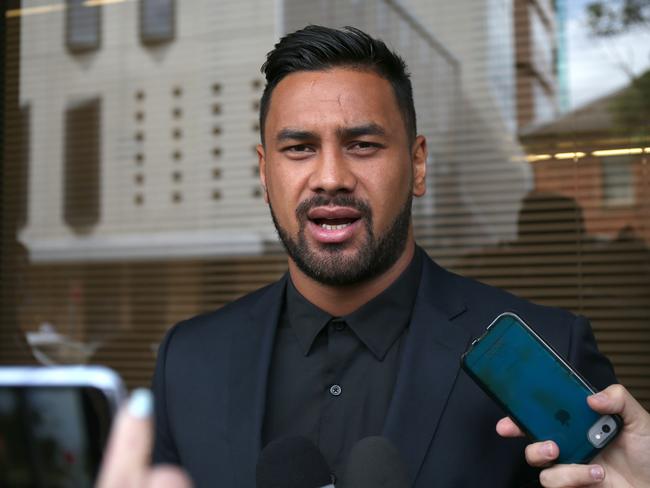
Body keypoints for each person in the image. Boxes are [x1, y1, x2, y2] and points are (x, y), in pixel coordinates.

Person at [151, 25, 618, 487]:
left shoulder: (550, 353)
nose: (330, 177)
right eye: (299, 148)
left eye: (362, 145)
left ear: (417, 165)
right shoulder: (188, 362)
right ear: (264, 172)